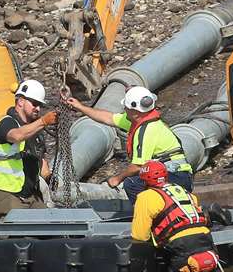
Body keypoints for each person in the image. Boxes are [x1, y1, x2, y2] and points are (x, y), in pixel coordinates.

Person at [62, 85, 193, 199]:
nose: (124, 109)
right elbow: (107, 118)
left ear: (134, 110)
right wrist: (79, 107)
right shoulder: (141, 119)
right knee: (134, 182)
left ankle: (146, 217)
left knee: (131, 184)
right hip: (175, 174)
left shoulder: (145, 129)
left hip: (176, 176)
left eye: (126, 107)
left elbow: (138, 165)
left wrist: (117, 179)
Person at [130, 161, 222, 272]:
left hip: (181, 244)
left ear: (143, 180)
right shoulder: (181, 190)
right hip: (206, 237)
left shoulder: (145, 197)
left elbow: (140, 236)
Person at [0, 78, 58, 217]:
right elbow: (17, 136)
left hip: (29, 194)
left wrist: (48, 177)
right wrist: (43, 121)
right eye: (35, 104)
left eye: (40, 105)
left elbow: (40, 160)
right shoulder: (6, 123)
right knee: (15, 232)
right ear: (21, 101)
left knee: (51, 226)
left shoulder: (35, 130)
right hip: (6, 193)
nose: (38, 108)